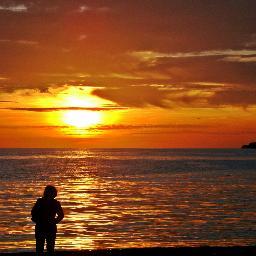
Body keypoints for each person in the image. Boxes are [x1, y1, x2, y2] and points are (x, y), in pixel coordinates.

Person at [31, 185, 64, 255]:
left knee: (50, 247)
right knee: (40, 247)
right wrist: (36, 220)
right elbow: (33, 212)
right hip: (41, 226)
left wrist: (54, 221)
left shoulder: (56, 203)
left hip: (50, 227)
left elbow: (61, 215)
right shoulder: (40, 201)